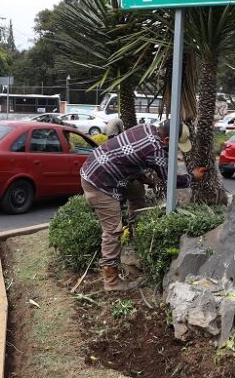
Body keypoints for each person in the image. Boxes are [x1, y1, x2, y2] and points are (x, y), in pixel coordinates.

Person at [80, 120, 206, 291]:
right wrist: (193, 177)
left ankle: (136, 234)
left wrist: (143, 178)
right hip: (99, 183)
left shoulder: (146, 127)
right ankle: (112, 281)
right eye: (176, 144)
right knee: (112, 231)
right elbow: (171, 180)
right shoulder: (157, 150)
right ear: (167, 140)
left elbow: (128, 156)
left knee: (137, 192)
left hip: (99, 167)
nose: (177, 149)